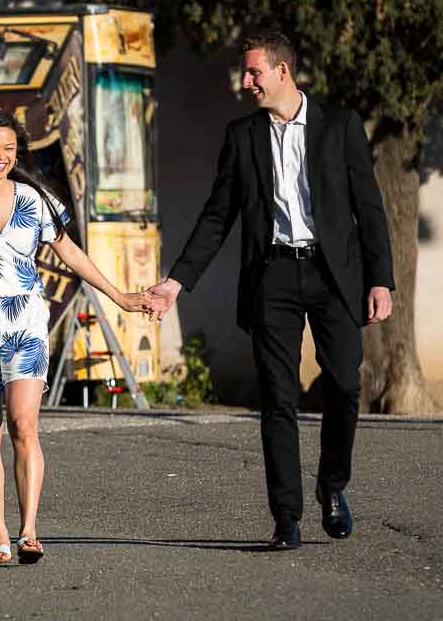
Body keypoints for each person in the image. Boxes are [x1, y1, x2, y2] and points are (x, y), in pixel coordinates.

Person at [146, 32, 394, 551]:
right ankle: (286, 516)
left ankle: (333, 488)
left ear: (283, 72)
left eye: (254, 72)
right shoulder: (242, 136)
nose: (246, 82)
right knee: (278, 399)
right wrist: (176, 282)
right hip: (273, 275)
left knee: (345, 386)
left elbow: (368, 209)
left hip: (333, 276)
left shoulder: (339, 127)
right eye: (246, 72)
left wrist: (380, 280)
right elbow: (218, 216)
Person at [0, 109, 154, 565]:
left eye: (9, 149)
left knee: (24, 425)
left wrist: (120, 297)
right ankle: (0, 535)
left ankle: (29, 530)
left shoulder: (35, 198)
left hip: (26, 317)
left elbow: (69, 251)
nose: (1, 157)